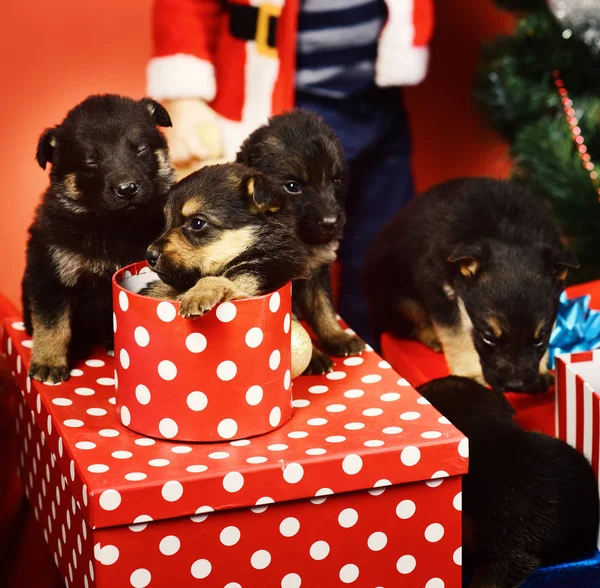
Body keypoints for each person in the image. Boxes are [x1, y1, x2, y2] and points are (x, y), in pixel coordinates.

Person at [147, 0, 434, 348]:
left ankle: (365, 350)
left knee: (379, 248)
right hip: (275, 95)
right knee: (268, 251)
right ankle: (277, 351)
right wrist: (184, 96)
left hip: (377, 94)